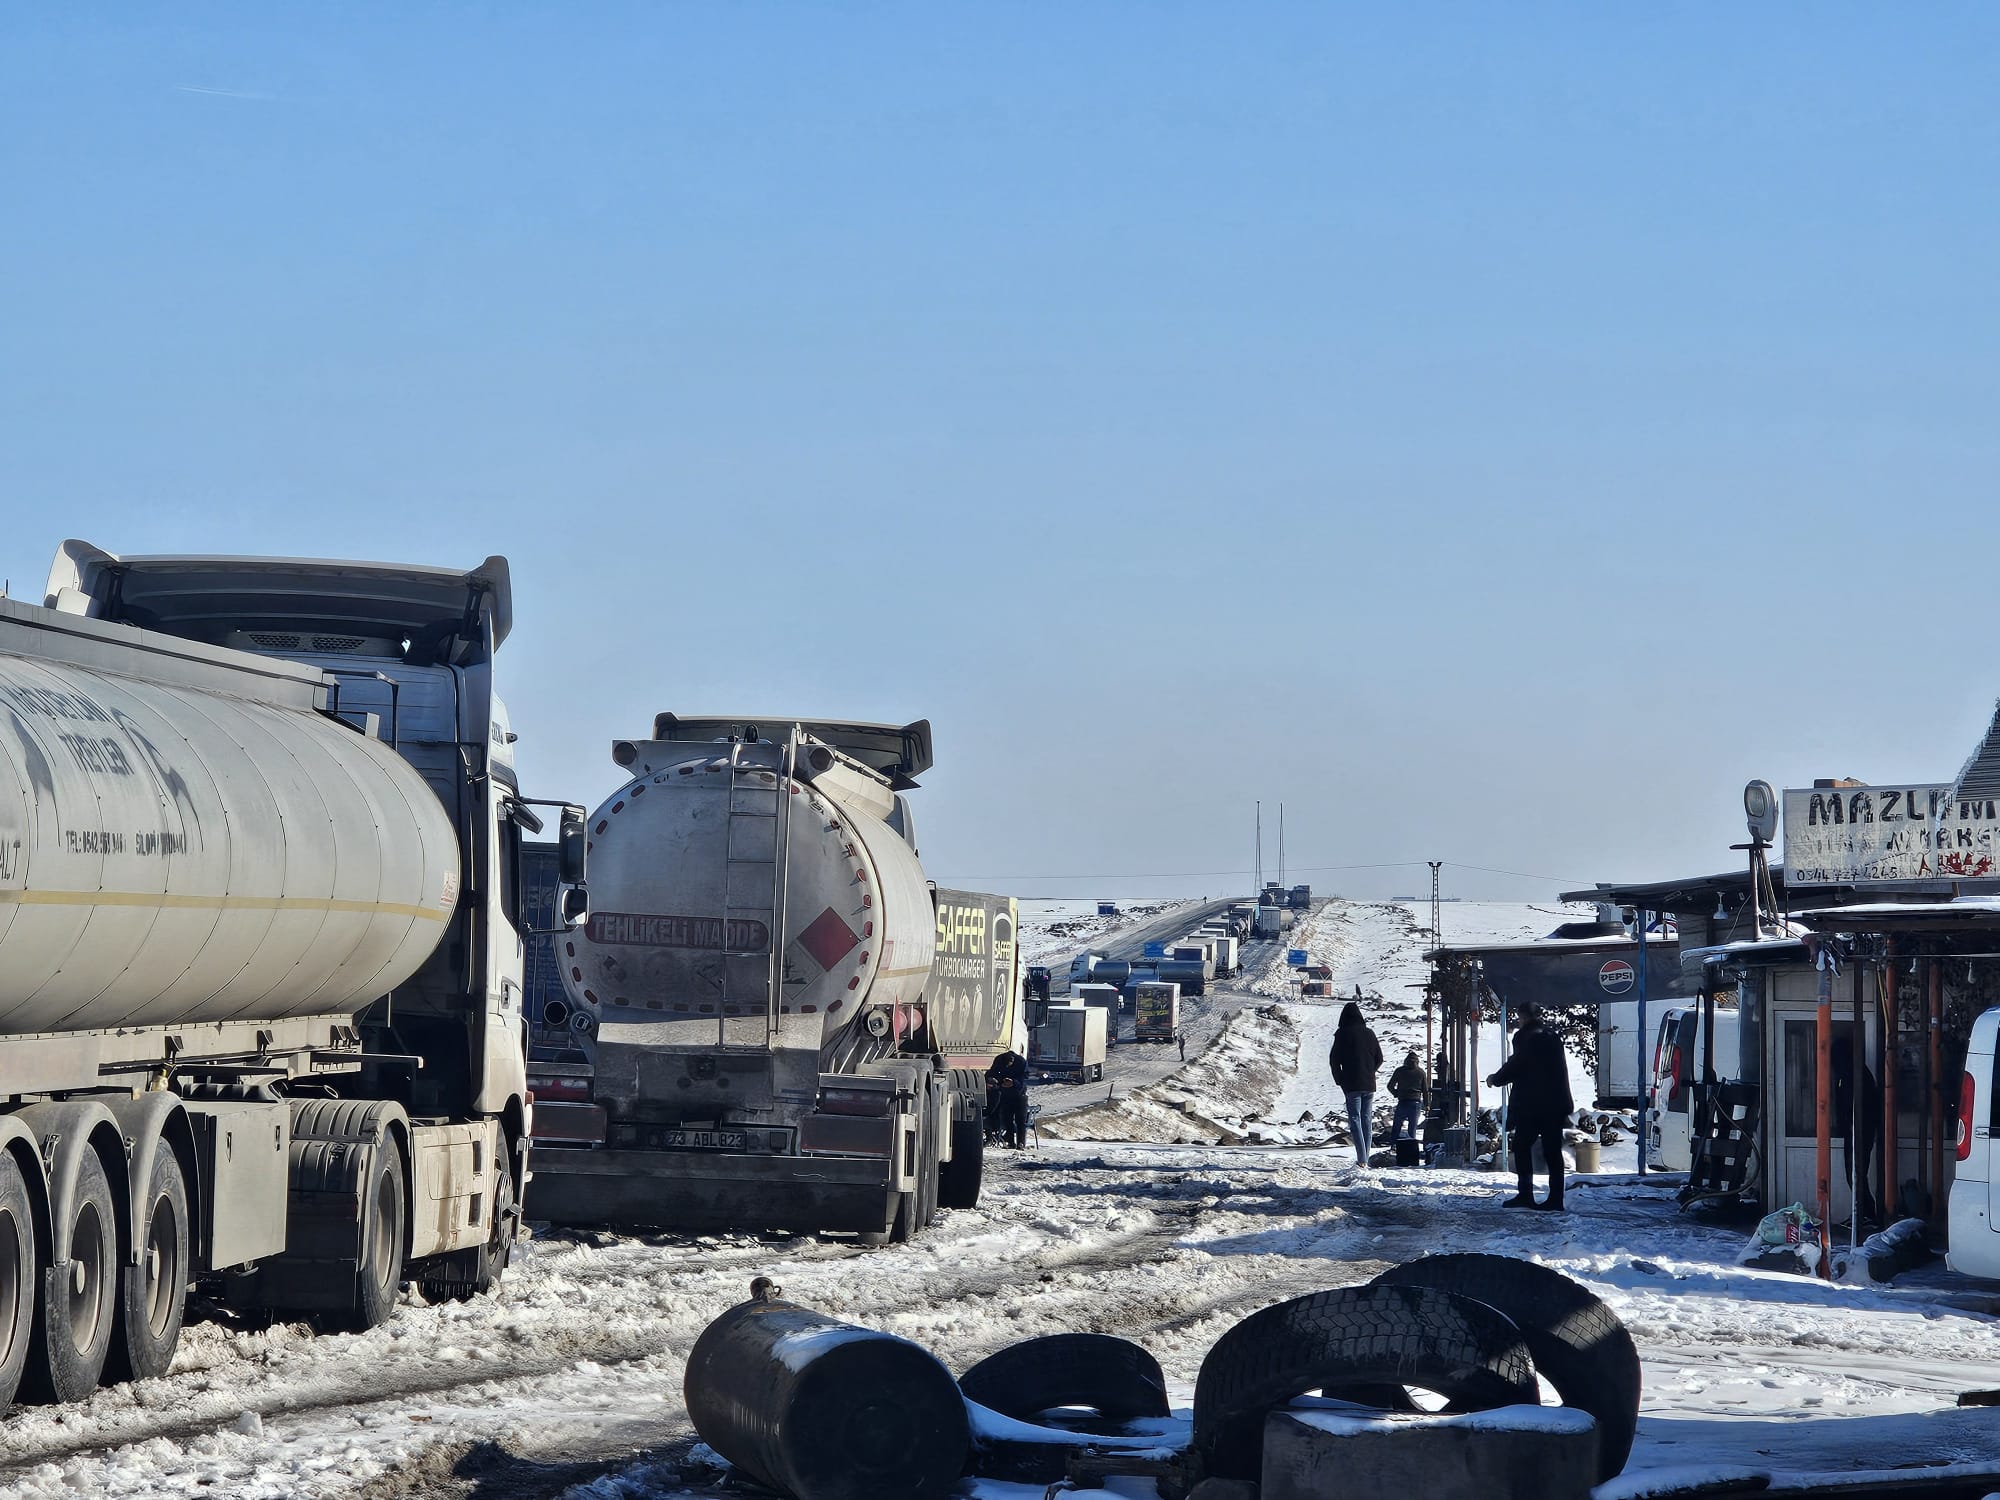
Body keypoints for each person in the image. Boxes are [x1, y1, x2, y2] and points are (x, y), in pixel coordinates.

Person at [1487, 1002, 1574, 1210]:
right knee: (1553, 1151)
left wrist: (1496, 1079)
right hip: (1556, 1103)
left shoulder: (1525, 1037)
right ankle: (1556, 1199)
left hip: (1532, 1104)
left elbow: (1518, 1064)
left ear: (1523, 1017)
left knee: (1522, 1146)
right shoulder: (1553, 1037)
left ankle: (1525, 1194)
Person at [1831, 1034, 1883, 1225]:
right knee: (1855, 1174)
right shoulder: (1850, 1073)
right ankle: (1865, 1212)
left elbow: (1857, 1105)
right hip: (1857, 1131)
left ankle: (1867, 1213)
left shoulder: (1854, 1074)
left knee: (1855, 1173)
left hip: (1859, 1132)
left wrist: (1851, 1124)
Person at [1329, 1001, 1384, 1168]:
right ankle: (1364, 1158)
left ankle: (1362, 1160)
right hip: (1368, 1084)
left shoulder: (1342, 1034)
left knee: (1355, 1120)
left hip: (1351, 1084)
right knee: (1367, 1120)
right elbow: (1379, 1058)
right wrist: (1370, 1071)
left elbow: (1334, 1060)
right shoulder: (1369, 1033)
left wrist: (1340, 1079)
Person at [987, 1047, 1030, 1150]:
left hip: (1019, 1095)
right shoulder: (999, 1060)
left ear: (1013, 1060)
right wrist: (993, 1080)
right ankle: (1010, 1142)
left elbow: (1024, 1078)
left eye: (1009, 1065)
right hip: (1005, 1094)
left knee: (1021, 1120)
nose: (1007, 1067)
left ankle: (1021, 1143)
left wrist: (1013, 1083)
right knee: (1007, 1119)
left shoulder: (1021, 1062)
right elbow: (992, 1072)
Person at [1388, 1050, 1426, 1142]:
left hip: (1403, 1101)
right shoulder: (1421, 1072)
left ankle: (1393, 1147)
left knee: (1396, 1127)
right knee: (1412, 1129)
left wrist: (1396, 1093)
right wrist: (1427, 1105)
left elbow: (1390, 1086)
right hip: (1416, 1102)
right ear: (1417, 1061)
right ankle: (1411, 1150)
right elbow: (1425, 1090)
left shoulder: (1399, 1071)